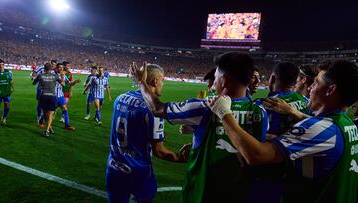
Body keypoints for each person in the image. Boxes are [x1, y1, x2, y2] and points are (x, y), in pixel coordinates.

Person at [207, 60, 358, 203]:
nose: (310, 88)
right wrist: (294, 115)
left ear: (331, 90)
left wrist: (224, 113)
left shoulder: (321, 129)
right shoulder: (347, 124)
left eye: (316, 83)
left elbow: (256, 155)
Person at [131, 52, 269, 203]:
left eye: (216, 78)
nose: (213, 83)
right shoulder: (260, 113)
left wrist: (141, 83)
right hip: (241, 195)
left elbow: (157, 108)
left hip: (202, 194)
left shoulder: (203, 107)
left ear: (223, 81)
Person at [106, 63, 190, 203]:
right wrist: (182, 158)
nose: (162, 84)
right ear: (155, 81)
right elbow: (159, 152)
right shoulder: (153, 112)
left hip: (113, 167)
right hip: (138, 171)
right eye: (162, 80)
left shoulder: (120, 98)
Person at [266, 62, 310, 135]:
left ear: (273, 78)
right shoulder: (305, 100)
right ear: (295, 82)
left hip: (275, 145)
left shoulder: (265, 104)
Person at [33, 63, 65, 136]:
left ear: (44, 68)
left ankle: (49, 127)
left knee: (45, 113)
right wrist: (62, 76)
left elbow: (34, 83)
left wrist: (37, 79)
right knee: (50, 114)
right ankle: (47, 130)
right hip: (52, 96)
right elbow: (63, 84)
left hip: (43, 96)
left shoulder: (41, 75)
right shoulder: (55, 76)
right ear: (51, 69)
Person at [32, 60, 57, 128]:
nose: (52, 65)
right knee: (40, 104)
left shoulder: (54, 72)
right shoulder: (41, 68)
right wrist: (34, 78)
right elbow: (34, 72)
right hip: (40, 89)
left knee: (47, 106)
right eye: (52, 64)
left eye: (54, 65)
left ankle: (44, 119)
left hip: (50, 91)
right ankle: (39, 117)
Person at [54, 63, 75, 130]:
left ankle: (67, 125)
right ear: (56, 68)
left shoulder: (63, 75)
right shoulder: (54, 75)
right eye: (60, 67)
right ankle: (43, 120)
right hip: (54, 96)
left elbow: (69, 83)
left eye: (62, 67)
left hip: (61, 96)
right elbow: (63, 84)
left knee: (65, 109)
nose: (61, 69)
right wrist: (63, 76)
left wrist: (75, 82)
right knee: (51, 111)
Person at [0, 59, 14, 125]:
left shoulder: (9, 72)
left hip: (6, 93)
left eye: (2, 64)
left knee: (7, 107)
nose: (1, 66)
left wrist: (13, 88)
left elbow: (12, 80)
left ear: (4, 65)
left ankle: (4, 118)